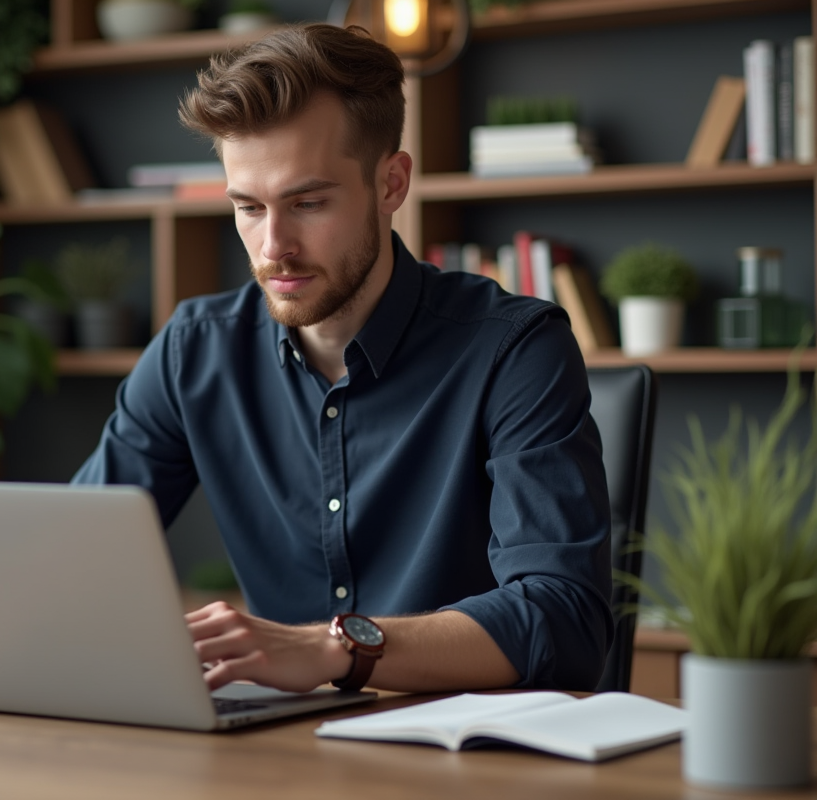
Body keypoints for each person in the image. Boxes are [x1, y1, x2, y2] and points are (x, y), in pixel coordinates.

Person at [73, 23, 612, 695]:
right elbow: (70, 555)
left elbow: (565, 620)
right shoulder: (194, 351)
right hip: (276, 742)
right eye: (248, 207)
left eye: (308, 203)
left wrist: (335, 649)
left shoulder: (515, 350)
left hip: (466, 743)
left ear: (391, 184)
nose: (273, 246)